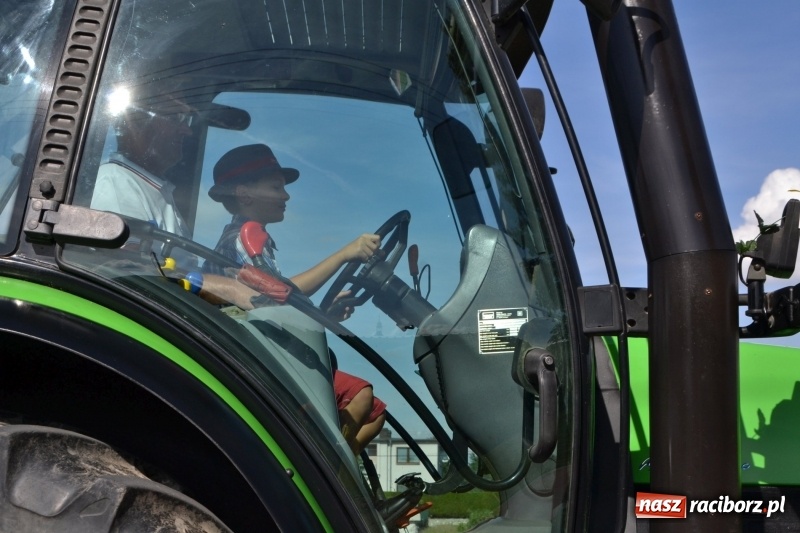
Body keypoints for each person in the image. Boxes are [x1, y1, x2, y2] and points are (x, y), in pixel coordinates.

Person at [206, 143, 387, 455]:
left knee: (375, 411)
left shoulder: (249, 238)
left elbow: (272, 304)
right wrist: (345, 253)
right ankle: (329, 466)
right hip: (263, 361)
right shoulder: (244, 237)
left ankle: (340, 470)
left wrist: (324, 312)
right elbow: (278, 292)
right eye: (276, 187)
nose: (286, 196)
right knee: (360, 396)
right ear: (244, 193)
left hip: (266, 348)